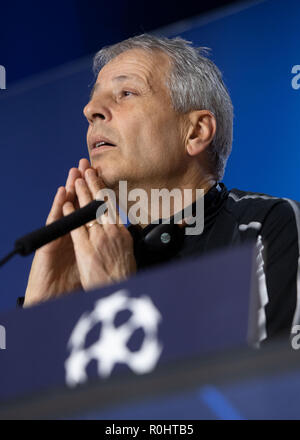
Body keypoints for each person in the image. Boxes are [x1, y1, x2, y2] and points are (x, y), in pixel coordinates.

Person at [23, 34, 300, 345]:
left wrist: (117, 299)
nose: (90, 110)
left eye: (126, 93)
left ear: (195, 132)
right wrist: (37, 321)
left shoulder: (269, 227)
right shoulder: (92, 264)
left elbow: (276, 387)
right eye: (94, 99)